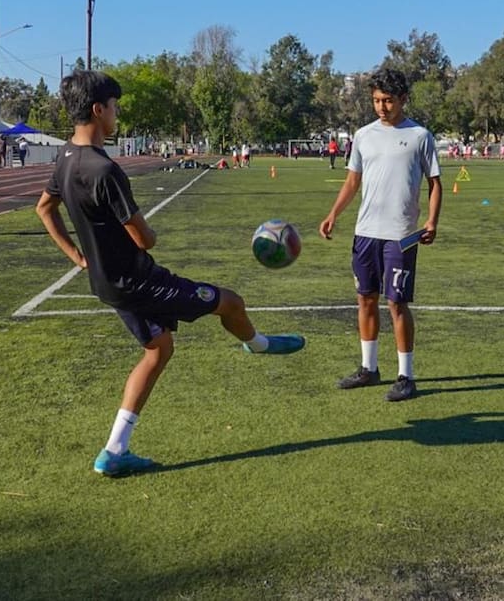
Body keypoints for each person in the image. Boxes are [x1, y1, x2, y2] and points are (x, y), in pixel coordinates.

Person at [35, 70, 305, 478]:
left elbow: (44, 208)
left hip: (106, 283)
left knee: (159, 350)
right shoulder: (104, 171)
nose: (117, 114)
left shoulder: (66, 157)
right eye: (114, 106)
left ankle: (114, 451)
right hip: (138, 281)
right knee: (230, 302)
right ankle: (260, 344)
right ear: (98, 109)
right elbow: (144, 238)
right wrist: (146, 233)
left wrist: (77, 255)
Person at [319, 67, 442, 402]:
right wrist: (333, 214)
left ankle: (406, 375)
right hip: (365, 232)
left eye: (388, 100)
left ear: (402, 99)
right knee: (365, 298)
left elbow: (434, 184)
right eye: (376, 100)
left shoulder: (420, 136)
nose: (382, 107)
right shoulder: (363, 135)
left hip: (401, 235)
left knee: (396, 303)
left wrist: (431, 222)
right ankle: (368, 369)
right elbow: (352, 182)